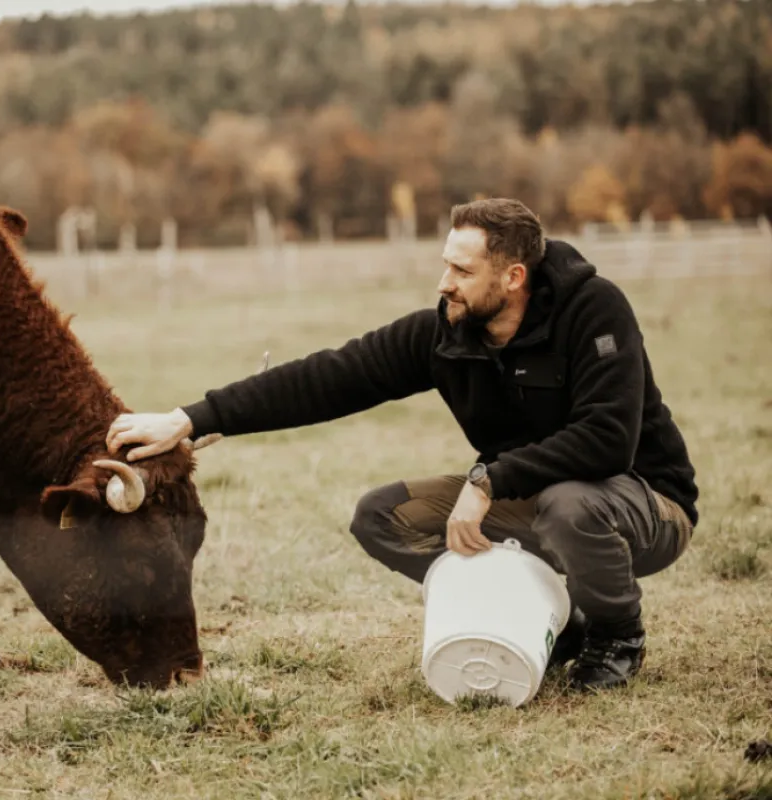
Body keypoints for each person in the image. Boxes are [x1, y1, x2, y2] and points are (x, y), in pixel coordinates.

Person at [105, 197, 698, 692]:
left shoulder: (593, 310)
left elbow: (607, 440)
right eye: (445, 265)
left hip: (643, 503)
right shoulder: (447, 332)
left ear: (513, 277)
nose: (445, 283)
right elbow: (329, 377)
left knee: (569, 506)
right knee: (381, 517)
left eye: (462, 271)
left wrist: (488, 481)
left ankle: (616, 635)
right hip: (533, 499)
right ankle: (549, 618)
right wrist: (189, 419)